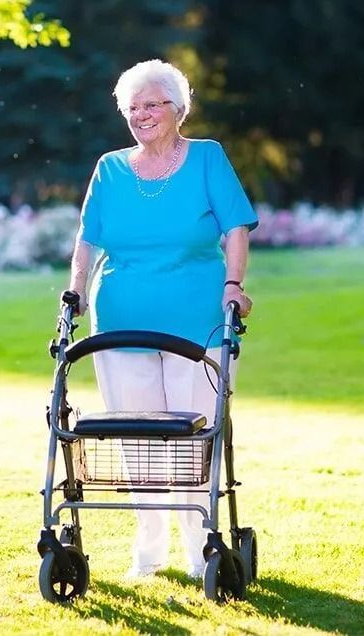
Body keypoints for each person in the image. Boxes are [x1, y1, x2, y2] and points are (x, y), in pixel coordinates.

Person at [67, 59, 258, 580]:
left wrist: (234, 287)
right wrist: (75, 292)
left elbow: (236, 226)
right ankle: (148, 552)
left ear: (178, 108)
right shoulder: (109, 168)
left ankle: (201, 551)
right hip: (121, 322)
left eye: (152, 104)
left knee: (194, 436)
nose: (141, 115)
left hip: (197, 322)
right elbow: (87, 239)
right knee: (139, 441)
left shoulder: (206, 159)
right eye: (132, 108)